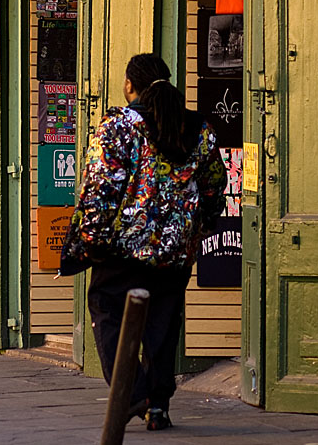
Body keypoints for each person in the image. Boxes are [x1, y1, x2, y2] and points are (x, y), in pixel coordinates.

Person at [60, 53, 226, 431]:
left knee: (107, 312)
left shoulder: (118, 126)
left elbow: (100, 188)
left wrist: (89, 239)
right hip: (174, 252)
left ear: (129, 85)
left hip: (123, 250)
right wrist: (194, 229)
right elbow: (216, 188)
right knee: (162, 328)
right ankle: (159, 407)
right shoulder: (199, 129)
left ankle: (134, 392)